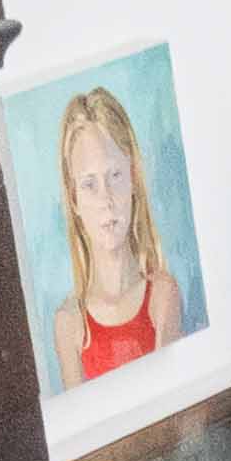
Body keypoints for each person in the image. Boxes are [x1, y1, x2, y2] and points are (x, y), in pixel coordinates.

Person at [48, 72, 185, 393]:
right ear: (74, 199)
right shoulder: (69, 325)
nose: (106, 200)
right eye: (89, 184)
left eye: (115, 176)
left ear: (134, 179)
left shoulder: (162, 297)